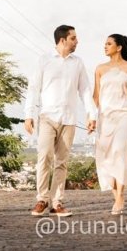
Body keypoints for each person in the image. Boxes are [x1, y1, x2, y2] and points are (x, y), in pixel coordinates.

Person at [23, 24, 97, 217]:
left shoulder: (78, 63)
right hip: (47, 117)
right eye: (73, 38)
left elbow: (85, 90)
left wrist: (92, 114)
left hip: (69, 119)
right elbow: (33, 88)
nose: (77, 41)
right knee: (44, 158)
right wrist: (29, 114)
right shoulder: (44, 60)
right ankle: (42, 199)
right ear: (62, 40)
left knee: (61, 162)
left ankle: (57, 203)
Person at [93, 34, 127, 215]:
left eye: (109, 43)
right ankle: (116, 195)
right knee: (105, 155)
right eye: (104, 44)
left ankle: (120, 196)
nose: (105, 46)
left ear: (119, 47)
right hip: (106, 117)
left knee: (119, 150)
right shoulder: (100, 69)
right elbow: (96, 96)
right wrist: (92, 117)